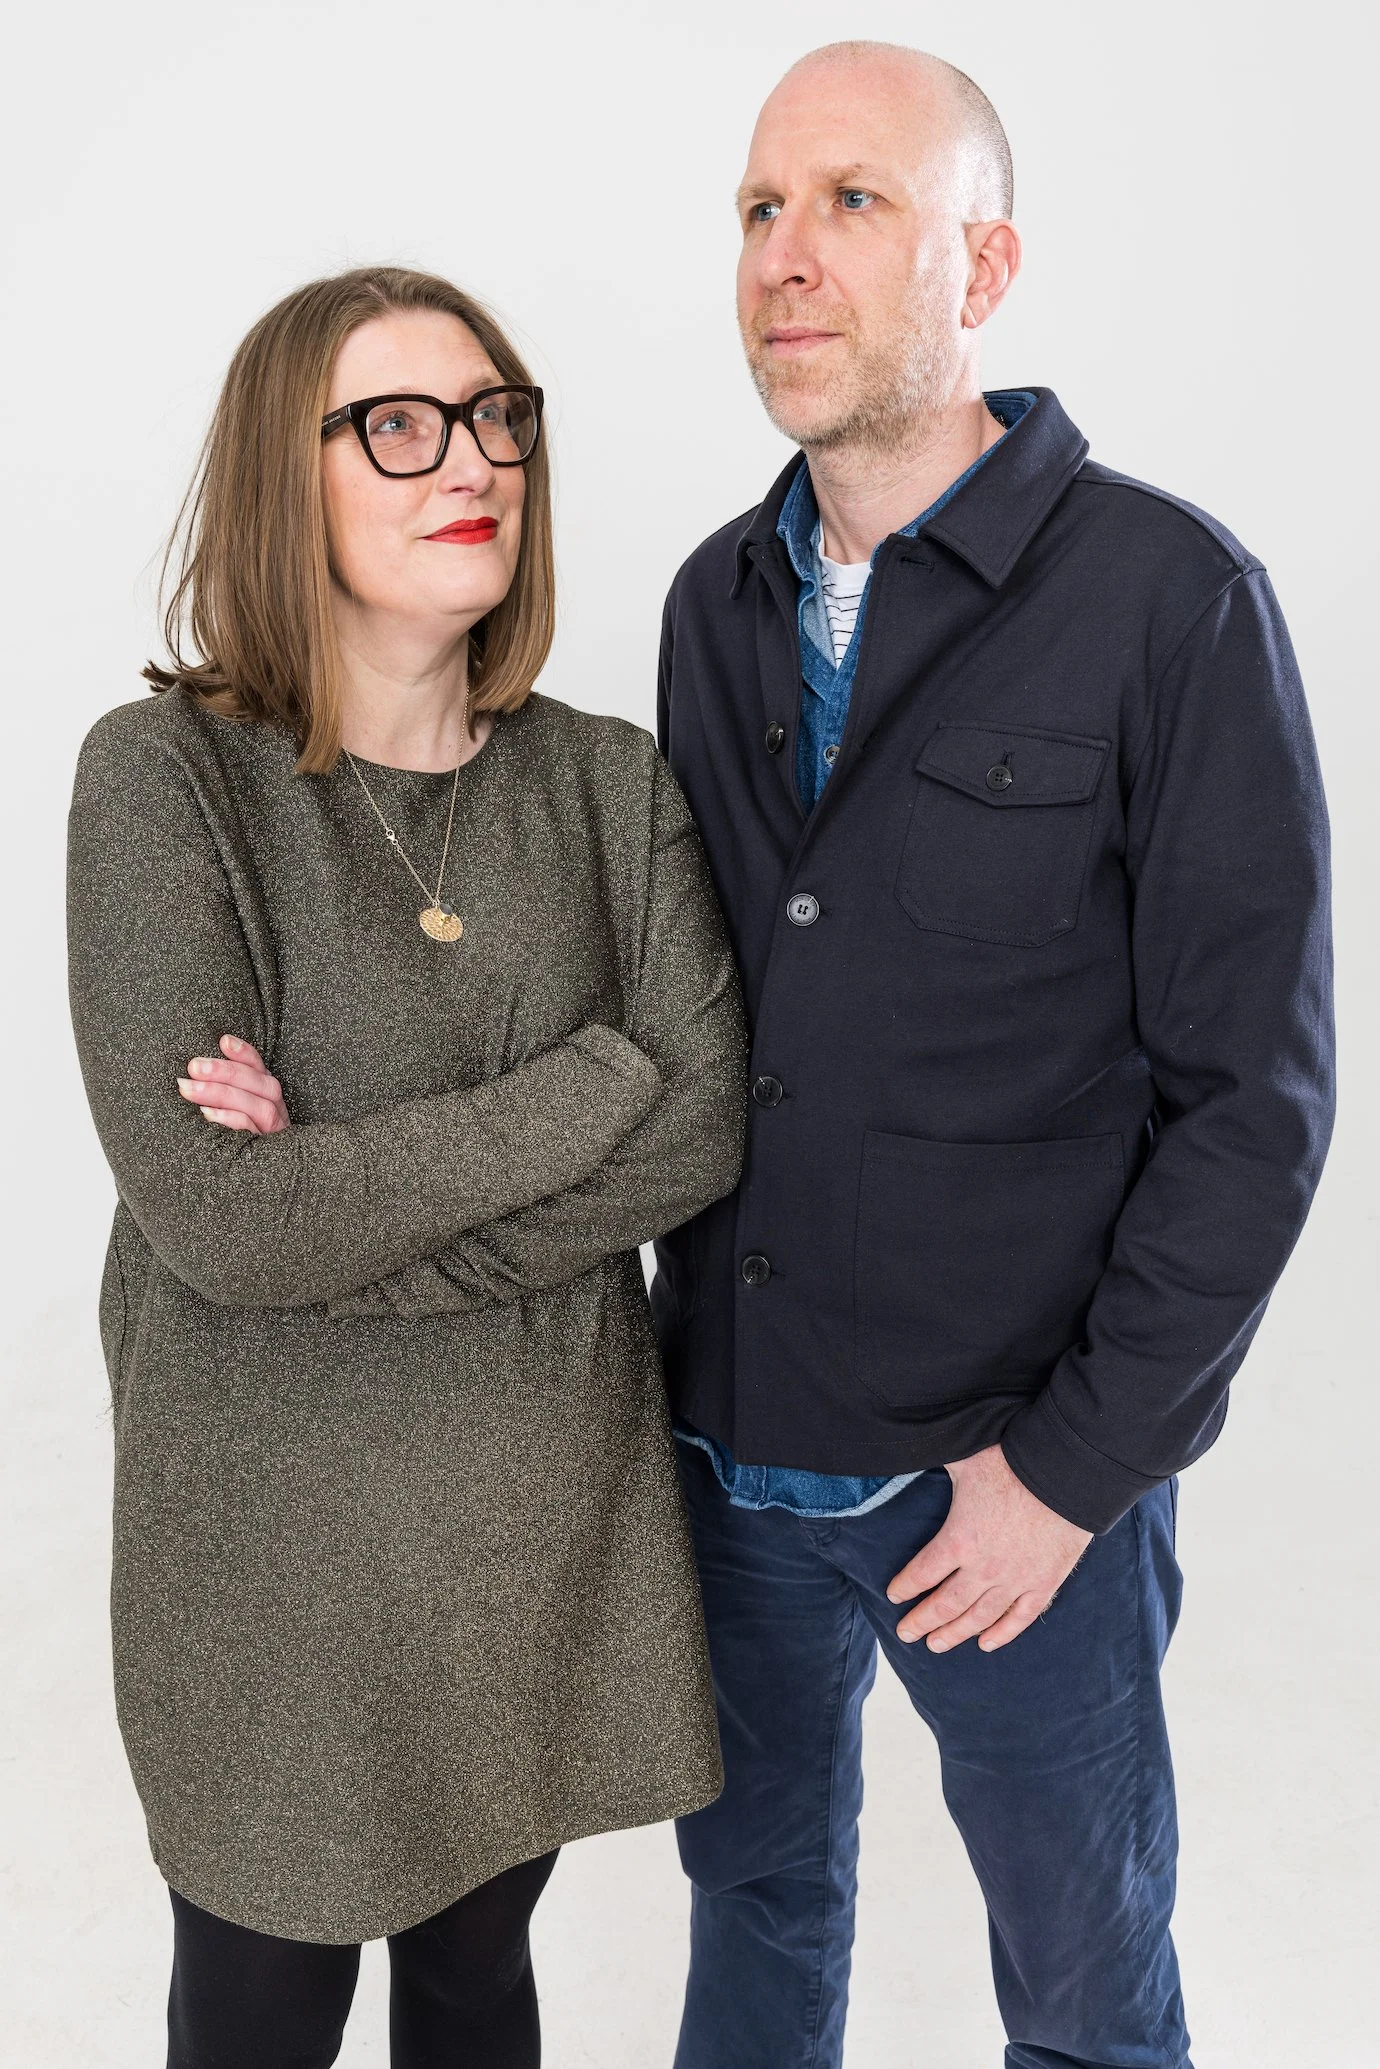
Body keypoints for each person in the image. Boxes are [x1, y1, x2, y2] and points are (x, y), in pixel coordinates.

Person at [651, 42, 1335, 2069]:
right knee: (755, 1917)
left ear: (989, 260)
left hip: (1012, 1488)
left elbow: (1256, 1103)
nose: (787, 256)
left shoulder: (1168, 599)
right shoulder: (715, 599)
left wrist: (1071, 1470)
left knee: (1087, 1988)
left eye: (854, 202)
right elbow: (679, 1010)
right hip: (725, 1442)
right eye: (760, 209)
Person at [66, 264, 745, 2069]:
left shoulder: (606, 784)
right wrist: (584, 1080)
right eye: (401, 423)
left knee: (475, 1987)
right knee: (258, 2009)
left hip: (534, 1527)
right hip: (268, 1549)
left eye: (498, 418)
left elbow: (703, 1125)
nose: (476, 461)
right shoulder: (165, 784)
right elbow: (219, 1219)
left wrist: (347, 1190)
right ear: (286, 480)